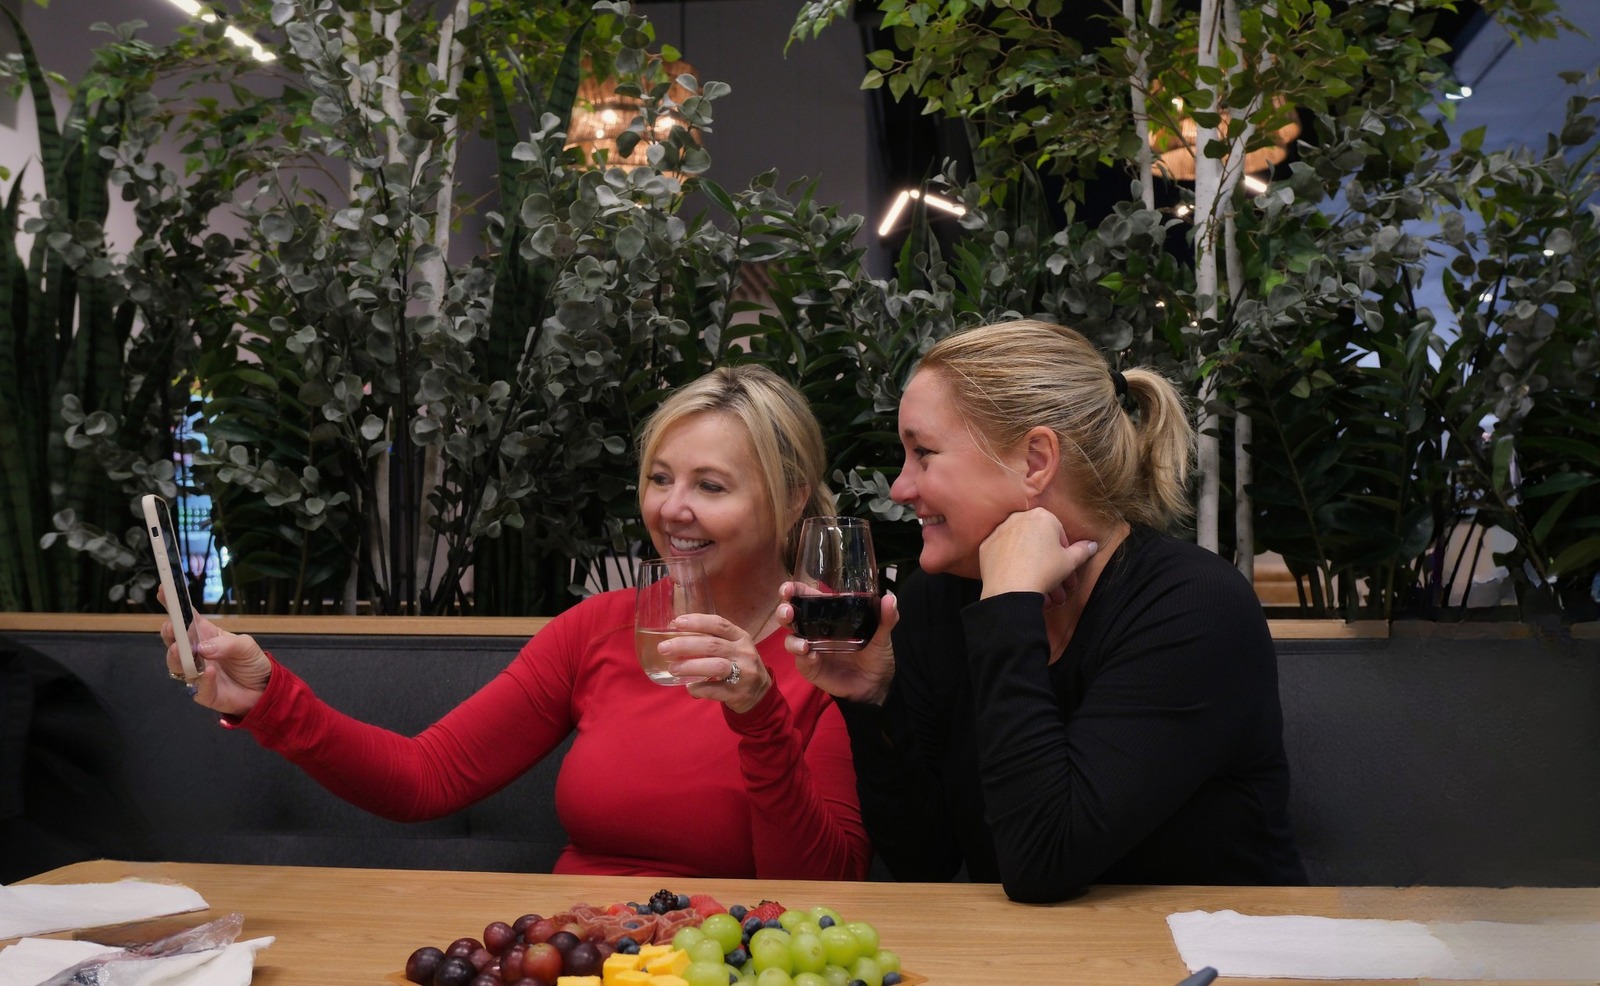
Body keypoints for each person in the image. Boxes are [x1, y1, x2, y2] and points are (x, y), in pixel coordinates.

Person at [161, 364, 869, 881]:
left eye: (709, 485)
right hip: (572, 952)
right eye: (660, 478)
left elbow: (824, 890)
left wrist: (758, 716)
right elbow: (425, 777)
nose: (670, 508)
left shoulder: (829, 649)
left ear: (791, 497)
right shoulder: (596, 630)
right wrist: (268, 697)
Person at [784, 319, 1305, 902]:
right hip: (1040, 947)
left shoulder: (1194, 606)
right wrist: (875, 702)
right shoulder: (942, 597)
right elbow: (923, 859)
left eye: (923, 454)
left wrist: (1010, 607)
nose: (900, 489)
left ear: (1035, 461)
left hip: (1212, 947)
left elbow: (1043, 861)